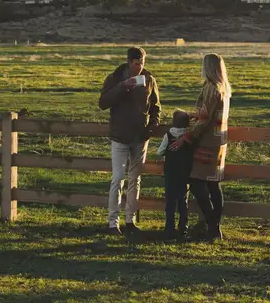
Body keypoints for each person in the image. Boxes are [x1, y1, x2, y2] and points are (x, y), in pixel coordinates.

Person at [99, 47, 161, 235]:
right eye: (136, 64)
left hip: (140, 138)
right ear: (128, 62)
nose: (140, 67)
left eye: (142, 63)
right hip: (119, 137)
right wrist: (122, 87)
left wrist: (150, 129)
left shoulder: (149, 79)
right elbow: (103, 103)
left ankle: (130, 221)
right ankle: (112, 223)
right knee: (118, 179)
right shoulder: (115, 78)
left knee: (135, 179)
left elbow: (156, 107)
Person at [169, 53, 231, 241]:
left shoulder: (212, 89)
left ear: (209, 68)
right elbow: (208, 115)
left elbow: (205, 120)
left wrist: (185, 138)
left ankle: (212, 225)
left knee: (196, 182)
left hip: (207, 143)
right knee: (213, 183)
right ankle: (214, 228)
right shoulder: (224, 89)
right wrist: (195, 115)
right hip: (219, 140)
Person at [157, 109, 193, 240]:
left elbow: (160, 151)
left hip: (170, 171)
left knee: (170, 200)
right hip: (185, 171)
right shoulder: (189, 137)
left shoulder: (169, 135)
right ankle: (183, 227)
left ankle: (169, 228)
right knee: (183, 199)